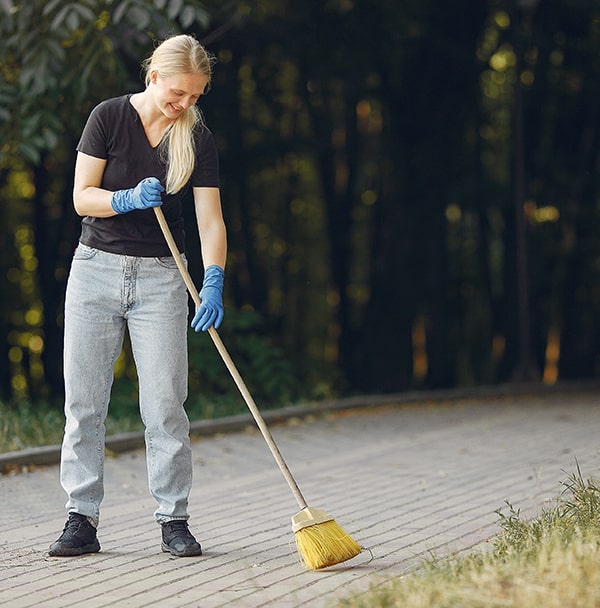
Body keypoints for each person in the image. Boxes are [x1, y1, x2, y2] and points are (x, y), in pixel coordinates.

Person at [48, 34, 227, 558]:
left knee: (166, 404)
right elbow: (83, 196)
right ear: (153, 78)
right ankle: (80, 518)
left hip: (162, 278)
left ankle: (174, 519)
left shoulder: (196, 137)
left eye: (195, 96)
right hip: (95, 271)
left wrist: (213, 277)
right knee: (84, 403)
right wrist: (123, 199)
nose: (185, 105)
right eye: (177, 94)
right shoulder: (107, 117)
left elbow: (210, 219)